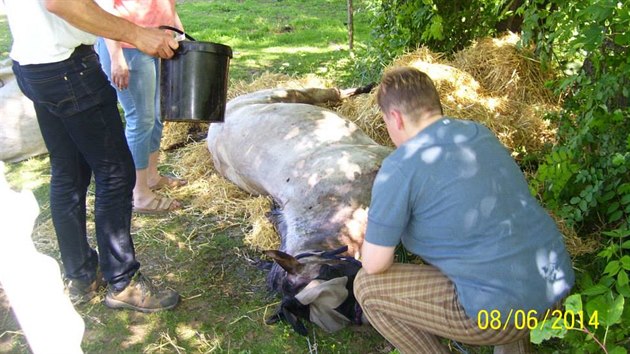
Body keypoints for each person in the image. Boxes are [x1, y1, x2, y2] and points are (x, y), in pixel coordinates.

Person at [354, 67, 575, 354]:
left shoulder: (400, 167)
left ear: (394, 117)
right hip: (556, 285)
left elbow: (375, 264)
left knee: (367, 287)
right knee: (492, 256)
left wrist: (370, 231)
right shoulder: (479, 134)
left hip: (498, 315)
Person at [4, 0, 180, 312]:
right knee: (116, 172)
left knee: (68, 170)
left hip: (34, 64)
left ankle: (82, 274)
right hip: (66, 70)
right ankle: (123, 281)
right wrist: (137, 34)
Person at [95, 0, 187, 214]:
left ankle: (151, 176)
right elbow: (105, 9)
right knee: (140, 119)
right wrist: (116, 56)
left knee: (155, 116)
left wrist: (179, 31)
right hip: (127, 48)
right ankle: (139, 194)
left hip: (157, 43)